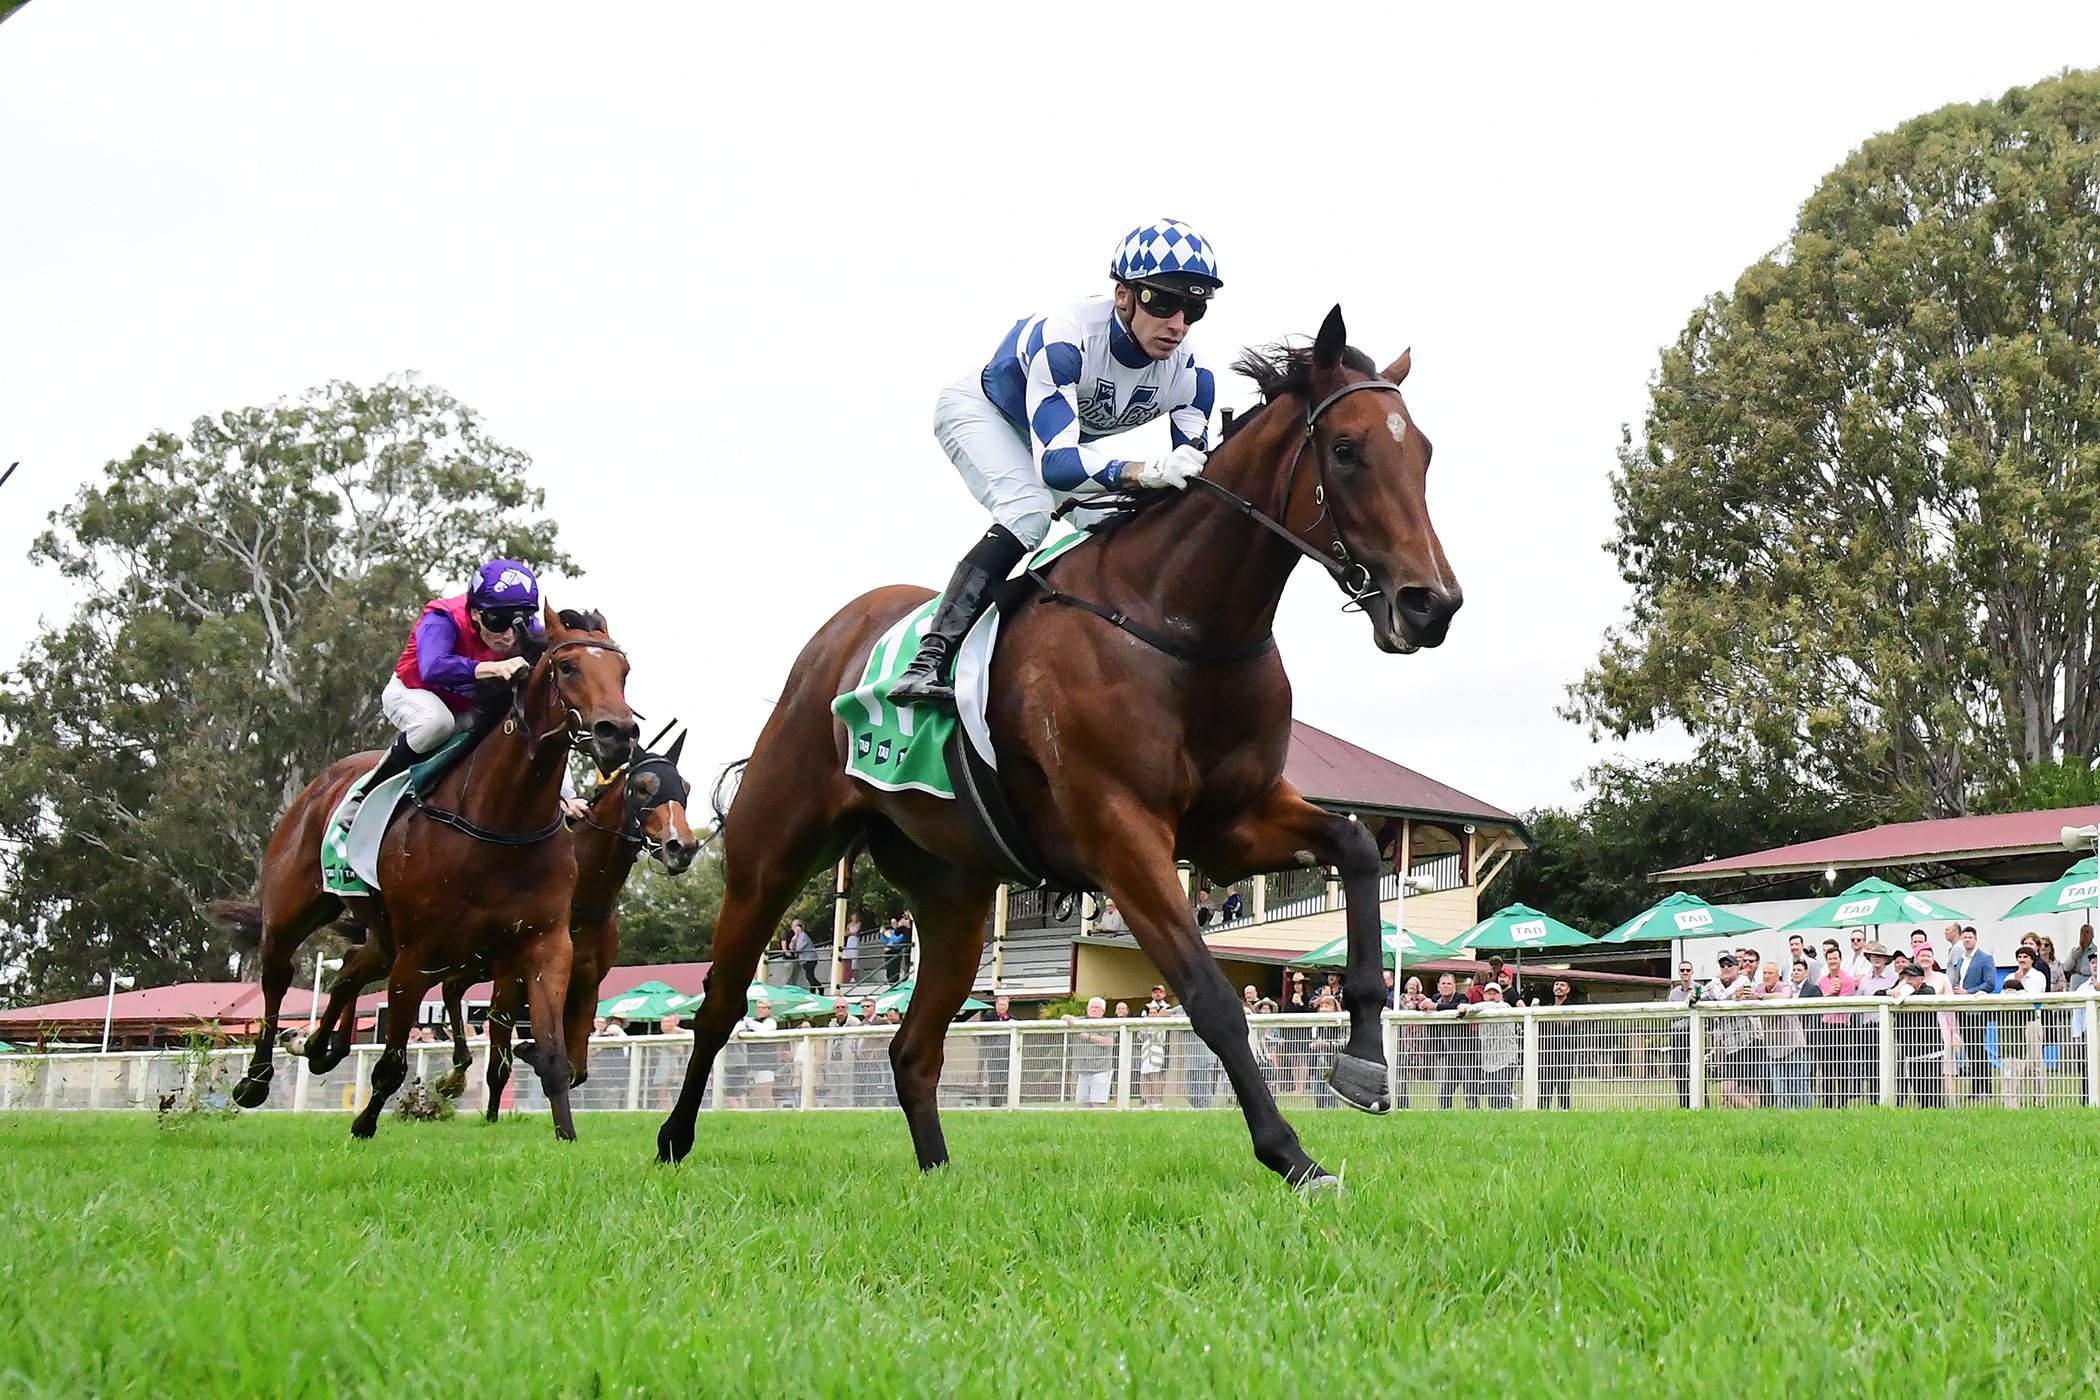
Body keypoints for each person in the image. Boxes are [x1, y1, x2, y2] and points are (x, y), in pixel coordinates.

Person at [887, 219, 1223, 708]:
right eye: (1163, 302)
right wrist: (1145, 472)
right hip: (985, 414)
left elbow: (1194, 478)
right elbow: (1057, 467)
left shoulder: (1194, 375)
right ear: (1123, 296)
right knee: (1028, 511)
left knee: (1118, 523)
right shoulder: (1065, 337)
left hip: (1058, 440)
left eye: (1193, 308)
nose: (1177, 324)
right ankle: (929, 659)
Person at [349, 558, 589, 826]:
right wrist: (492, 669)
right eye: (498, 621)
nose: (509, 634)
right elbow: (433, 667)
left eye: (519, 621)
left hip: (468, 704)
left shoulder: (525, 631)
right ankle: (363, 795)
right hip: (414, 691)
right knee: (436, 723)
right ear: (475, 612)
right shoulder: (442, 618)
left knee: (535, 719)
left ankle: (565, 796)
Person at [1882, 960, 1945, 1107]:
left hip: (1931, 1052)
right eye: (1905, 977)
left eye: (1910, 978)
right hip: (1912, 1053)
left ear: (1920, 979)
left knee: (1933, 1093)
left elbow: (1925, 994)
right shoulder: (1899, 990)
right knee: (1919, 1092)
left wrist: (1901, 990)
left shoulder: (1927, 990)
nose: (1907, 981)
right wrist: (1890, 991)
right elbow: (1878, 995)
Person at [1946, 924, 1996, 1104]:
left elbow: (1990, 983)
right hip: (1964, 1009)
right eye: (1964, 938)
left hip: (1977, 1009)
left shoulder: (1985, 958)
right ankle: (1976, 1087)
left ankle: (1985, 1087)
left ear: (1975, 939)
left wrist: (1969, 992)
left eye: (1970, 938)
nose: (1967, 940)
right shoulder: (1961, 960)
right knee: (1971, 1048)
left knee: (1978, 1048)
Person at [1755, 961, 1811, 1109]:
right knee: (1779, 1088)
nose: (1766, 976)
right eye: (1765, 973)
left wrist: (1760, 998)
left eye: (1770, 973)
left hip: (1792, 1044)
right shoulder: (1759, 988)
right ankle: (1784, 1116)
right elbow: (1748, 997)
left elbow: (1785, 997)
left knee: (1799, 1083)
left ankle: (1808, 1114)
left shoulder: (1785, 986)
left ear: (1777, 976)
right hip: (1772, 1047)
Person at [1999, 945, 2049, 1108]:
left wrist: (2017, 993)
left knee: (2035, 1062)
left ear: (2032, 960)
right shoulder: (2009, 977)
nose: (2022, 960)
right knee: (2015, 1063)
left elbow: (2030, 998)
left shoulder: (2038, 976)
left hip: (2032, 1022)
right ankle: (2013, 1101)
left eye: (2025, 957)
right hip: (2013, 1024)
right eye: (2020, 957)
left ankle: (2040, 1100)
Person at [1429, 973, 1475, 1109]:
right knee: (1445, 1091)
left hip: (1466, 1052)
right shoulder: (1435, 999)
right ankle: (1444, 1114)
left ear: (1454, 986)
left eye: (1449, 984)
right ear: (1438, 987)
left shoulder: (1462, 997)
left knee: (1470, 1089)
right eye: (1443, 983)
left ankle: (1474, 1113)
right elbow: (1426, 1007)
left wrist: (1435, 1008)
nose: (1446, 986)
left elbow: (1457, 1007)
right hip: (1447, 1053)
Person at [1064, 997, 1116, 1108]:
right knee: (1084, 1104)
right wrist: (1069, 1018)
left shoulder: (1107, 1023)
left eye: (1096, 1007)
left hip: (1100, 1069)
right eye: (1091, 1007)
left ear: (1103, 1010)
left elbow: (1108, 1041)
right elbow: (1064, 1018)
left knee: (1096, 1103)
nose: (1093, 1009)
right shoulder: (1081, 1021)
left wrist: (1089, 1037)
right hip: (1082, 1070)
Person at [733, 997, 780, 1111]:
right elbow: (736, 1029)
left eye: (763, 1008)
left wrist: (749, 1022)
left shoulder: (771, 1021)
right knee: (757, 1091)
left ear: (769, 1010)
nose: (760, 1010)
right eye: (758, 1008)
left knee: (765, 1091)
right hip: (754, 1062)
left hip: (767, 1062)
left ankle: (772, 1112)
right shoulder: (752, 1022)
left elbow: (764, 1030)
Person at [1538, 979, 1577, 1110]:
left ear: (1568, 989)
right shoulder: (1547, 1006)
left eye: (1562, 985)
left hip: (1565, 1053)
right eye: (1556, 984)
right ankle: (1543, 1111)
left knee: (1564, 1085)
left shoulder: (1572, 1007)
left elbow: (1565, 1024)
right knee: (1544, 1086)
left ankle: (1565, 1111)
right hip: (1547, 1053)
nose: (1558, 987)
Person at [1666, 960, 1699, 1108]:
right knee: (1679, 1070)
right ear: (1679, 973)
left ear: (1692, 972)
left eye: (1688, 970)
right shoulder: (1674, 993)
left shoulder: (1699, 989)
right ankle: (1684, 1104)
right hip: (1678, 1035)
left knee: (1697, 1068)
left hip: (1694, 1034)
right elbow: (1671, 1015)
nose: (1685, 973)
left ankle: (1702, 1101)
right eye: (1682, 970)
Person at [979, 992, 1016, 1105]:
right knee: (993, 1078)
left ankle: (1000, 1102)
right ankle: (993, 1103)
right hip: (992, 1054)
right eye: (1000, 1005)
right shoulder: (988, 1017)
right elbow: (982, 1034)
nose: (1002, 1007)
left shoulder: (1012, 1019)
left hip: (1006, 1054)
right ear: (996, 1005)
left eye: (1004, 1005)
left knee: (1004, 1079)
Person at [1136, 1004, 1169, 1109]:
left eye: (1154, 1013)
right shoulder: (1144, 1024)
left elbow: (1157, 1036)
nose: (1153, 1015)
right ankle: (1147, 1100)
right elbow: (1141, 1036)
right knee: (1145, 1077)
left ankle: (1156, 1100)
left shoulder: (1162, 1025)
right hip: (1146, 1054)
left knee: (1155, 1076)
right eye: (1151, 1013)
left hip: (1156, 1054)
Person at [786, 919, 820, 992]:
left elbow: (798, 948)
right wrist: (793, 941)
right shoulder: (798, 938)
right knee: (809, 976)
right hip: (804, 960)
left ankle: (819, 988)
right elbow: (792, 948)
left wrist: (794, 942)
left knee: (809, 976)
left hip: (810, 959)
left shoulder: (803, 936)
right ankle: (814, 989)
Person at [883, 916, 910, 986]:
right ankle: (890, 981)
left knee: (895, 967)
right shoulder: (891, 931)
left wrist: (889, 936)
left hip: (896, 950)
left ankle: (894, 982)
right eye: (892, 923)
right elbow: (885, 941)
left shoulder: (901, 931)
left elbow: (897, 940)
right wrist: (883, 934)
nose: (893, 924)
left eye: (895, 923)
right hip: (888, 951)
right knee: (888, 968)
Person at [839, 914, 860, 989]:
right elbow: (846, 932)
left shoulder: (858, 924)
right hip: (850, 939)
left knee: (854, 956)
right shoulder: (849, 924)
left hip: (854, 939)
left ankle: (853, 975)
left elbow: (856, 931)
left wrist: (850, 933)